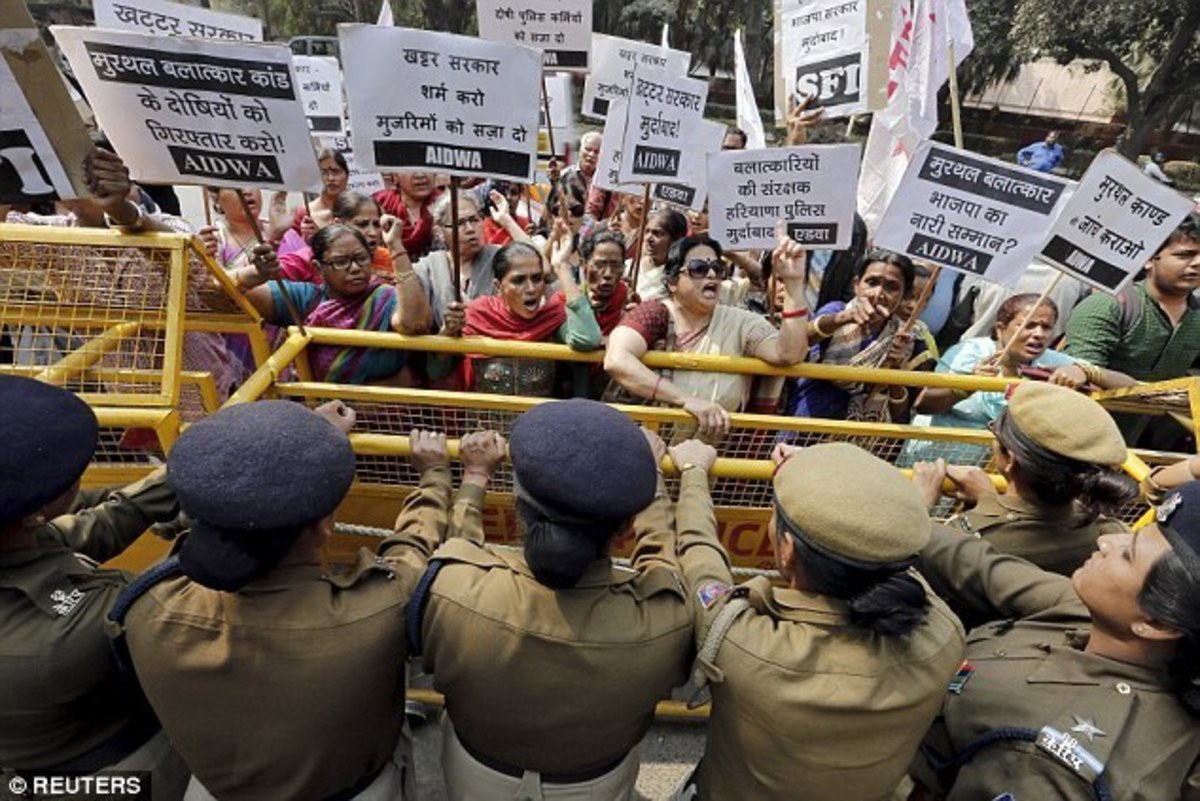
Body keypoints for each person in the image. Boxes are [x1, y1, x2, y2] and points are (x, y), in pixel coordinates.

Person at [111, 400, 491, 800]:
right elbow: (412, 549)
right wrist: (436, 476)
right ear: (326, 525)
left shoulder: (148, 604)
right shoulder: (378, 611)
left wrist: (298, 447)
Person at [410, 400, 694, 800]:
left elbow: (459, 550)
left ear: (518, 510)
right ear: (629, 526)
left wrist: (473, 476)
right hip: (595, 784)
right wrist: (653, 485)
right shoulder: (667, 619)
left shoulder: (451, 589)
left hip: (477, 774)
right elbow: (662, 563)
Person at [670, 439, 964, 800]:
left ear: (788, 549)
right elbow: (898, 565)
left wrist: (693, 473)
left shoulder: (743, 642)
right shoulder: (943, 635)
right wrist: (901, 512)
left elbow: (702, 558)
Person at [908, 479, 1200, 799]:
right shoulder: (1099, 618)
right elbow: (982, 566)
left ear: (1157, 622)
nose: (1108, 542)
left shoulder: (1053, 763)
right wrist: (901, 516)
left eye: (1128, 554)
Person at [0, 377, 188, 799]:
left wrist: (187, 471)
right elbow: (185, 591)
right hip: (106, 774)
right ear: (33, 514)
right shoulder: (74, 630)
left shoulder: (15, 537)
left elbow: (84, 530)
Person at [913, 382, 1138, 582]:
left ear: (1009, 459)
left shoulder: (966, 540)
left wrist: (918, 507)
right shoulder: (1110, 536)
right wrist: (989, 501)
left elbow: (902, 565)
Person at [605, 230, 811, 439]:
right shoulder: (655, 313)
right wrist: (686, 400)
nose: (711, 275)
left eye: (717, 268)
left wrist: (794, 284)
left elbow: (788, 354)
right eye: (699, 269)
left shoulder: (740, 322)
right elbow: (616, 359)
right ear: (672, 281)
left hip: (713, 457)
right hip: (646, 449)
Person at [903, 294, 1129, 466]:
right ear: (1000, 329)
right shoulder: (970, 352)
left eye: (1046, 327)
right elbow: (923, 404)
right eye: (1028, 325)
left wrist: (1087, 371)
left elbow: (1134, 388)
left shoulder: (1050, 361)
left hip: (998, 475)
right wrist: (967, 386)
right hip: (935, 461)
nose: (1038, 334)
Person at [1064, 212, 1200, 442]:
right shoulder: (1108, 306)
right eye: (1185, 255)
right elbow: (1079, 373)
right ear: (1148, 260)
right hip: (1075, 439)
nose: (1197, 263)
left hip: (1142, 452)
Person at [239, 224, 431, 384]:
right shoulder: (305, 299)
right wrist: (256, 274)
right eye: (341, 262)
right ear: (317, 268)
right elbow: (232, 297)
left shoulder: (385, 297)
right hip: (324, 416)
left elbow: (414, 324)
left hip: (391, 421)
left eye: (361, 259)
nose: (355, 268)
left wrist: (396, 248)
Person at [783, 249, 924, 421]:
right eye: (871, 283)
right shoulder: (836, 312)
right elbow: (801, 339)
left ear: (905, 296)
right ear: (856, 284)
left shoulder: (906, 339)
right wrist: (843, 319)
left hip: (858, 436)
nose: (878, 294)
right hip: (808, 422)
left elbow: (900, 414)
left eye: (891, 287)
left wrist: (895, 370)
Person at [453, 236, 602, 396]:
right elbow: (437, 370)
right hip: (485, 419)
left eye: (537, 279)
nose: (531, 288)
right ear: (498, 286)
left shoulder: (551, 318)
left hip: (539, 419)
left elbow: (588, 338)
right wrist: (446, 331)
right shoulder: (478, 315)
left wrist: (561, 268)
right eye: (519, 280)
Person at [413, 187, 530, 334]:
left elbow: (539, 264)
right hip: (445, 354)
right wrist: (446, 332)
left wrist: (506, 220)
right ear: (439, 231)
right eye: (460, 223)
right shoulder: (427, 268)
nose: (470, 229)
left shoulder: (501, 257)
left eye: (475, 220)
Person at [279, 190, 399, 284]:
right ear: (337, 224)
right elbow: (268, 275)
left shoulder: (389, 258)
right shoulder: (309, 258)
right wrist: (273, 237)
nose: (373, 232)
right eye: (362, 224)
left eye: (377, 224)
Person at [373, 171, 439, 259]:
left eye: (426, 168)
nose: (420, 175)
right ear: (395, 176)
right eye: (410, 168)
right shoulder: (379, 203)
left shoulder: (449, 204)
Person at [290, 148, 349, 239]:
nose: (331, 178)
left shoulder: (361, 208)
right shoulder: (303, 213)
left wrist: (319, 237)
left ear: (347, 175)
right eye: (324, 172)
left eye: (336, 171)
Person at [631, 208, 688, 301]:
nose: (648, 238)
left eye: (657, 233)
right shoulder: (631, 267)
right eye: (647, 231)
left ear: (676, 239)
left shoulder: (681, 278)